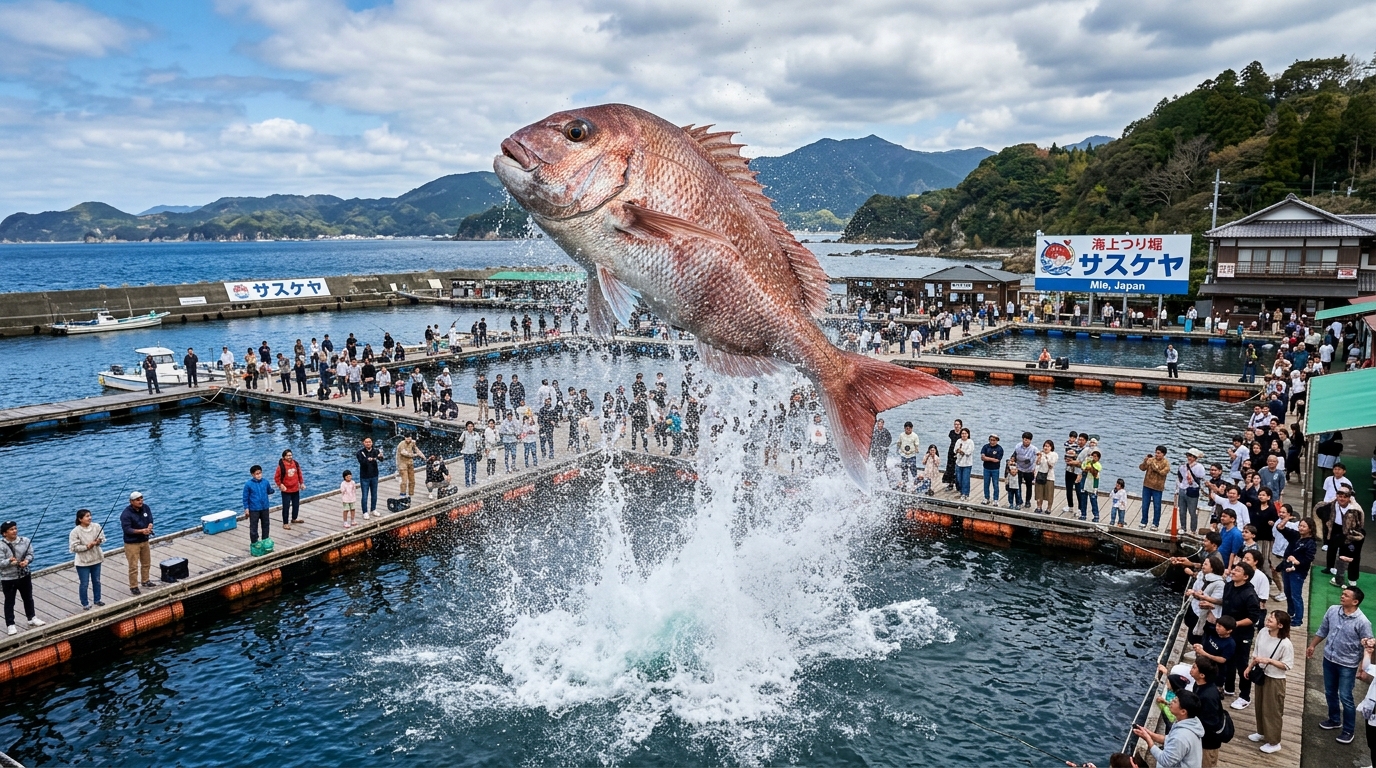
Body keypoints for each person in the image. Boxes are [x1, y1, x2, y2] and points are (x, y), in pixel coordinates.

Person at [1308, 585, 1374, 745]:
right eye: (1342, 594)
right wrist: (1312, 645)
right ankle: (1334, 719)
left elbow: (1368, 646)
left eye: (1346, 595)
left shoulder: (1363, 622)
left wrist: (1362, 668)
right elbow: (1323, 629)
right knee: (1330, 692)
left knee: (1346, 697)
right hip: (1329, 659)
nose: (1342, 596)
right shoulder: (1332, 610)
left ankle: (1348, 730)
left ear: (1355, 601)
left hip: (1347, 665)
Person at [1245, 610, 1293, 754]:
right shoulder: (1263, 633)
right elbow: (1256, 652)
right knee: (1259, 705)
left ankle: (1274, 741)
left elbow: (1287, 665)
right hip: (1261, 674)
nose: (1268, 620)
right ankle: (1261, 732)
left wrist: (1269, 661)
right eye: (1269, 617)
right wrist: (1249, 667)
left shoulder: (1285, 644)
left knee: (1272, 711)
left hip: (1275, 679)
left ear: (1280, 625)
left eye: (1272, 619)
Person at [1131, 689, 1204, 768]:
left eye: (1175, 701)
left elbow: (1166, 761)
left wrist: (1148, 740)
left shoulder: (1181, 736)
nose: (1171, 701)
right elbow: (1169, 739)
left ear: (1183, 712)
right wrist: (1149, 734)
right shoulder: (1190, 722)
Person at [1, 520, 43, 635]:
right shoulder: (1, 546)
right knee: (10, 601)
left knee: (28, 598)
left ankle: (32, 618)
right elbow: (0, 563)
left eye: (15, 528)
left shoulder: (25, 541)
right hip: (8, 578)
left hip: (24, 575)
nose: (15, 531)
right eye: (11, 529)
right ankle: (10, 625)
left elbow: (31, 554)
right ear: (4, 533)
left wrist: (26, 561)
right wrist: (9, 561)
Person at [68, 508, 105, 609]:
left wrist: (98, 541)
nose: (90, 518)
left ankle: (97, 599)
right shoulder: (75, 532)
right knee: (84, 583)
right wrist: (87, 546)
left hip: (96, 558)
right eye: (87, 516)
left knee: (97, 580)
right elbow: (73, 548)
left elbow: (102, 538)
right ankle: (85, 603)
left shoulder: (96, 526)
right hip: (83, 563)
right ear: (80, 519)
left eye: (90, 515)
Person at [120, 491, 154, 594]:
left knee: (146, 562)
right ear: (131, 501)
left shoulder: (146, 508)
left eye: (141, 498)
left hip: (144, 540)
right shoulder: (126, 514)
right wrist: (141, 531)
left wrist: (149, 527)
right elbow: (127, 529)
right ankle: (133, 586)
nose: (140, 501)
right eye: (137, 499)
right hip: (132, 543)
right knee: (133, 566)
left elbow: (150, 519)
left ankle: (145, 580)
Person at [243, 464, 274, 547]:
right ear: (252, 475)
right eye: (257, 473)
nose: (259, 475)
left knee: (266, 524)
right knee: (254, 526)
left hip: (264, 507)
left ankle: (265, 540)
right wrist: (246, 508)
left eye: (260, 473)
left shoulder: (265, 482)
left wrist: (273, 490)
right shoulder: (248, 484)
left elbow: (269, 490)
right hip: (254, 509)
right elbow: (245, 498)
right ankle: (254, 542)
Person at [1139, 445, 1170, 530]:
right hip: (1147, 486)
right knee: (1145, 504)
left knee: (1157, 506)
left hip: (1158, 488)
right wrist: (1145, 462)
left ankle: (1155, 524)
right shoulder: (1151, 460)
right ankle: (1143, 521)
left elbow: (1163, 473)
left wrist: (1154, 466)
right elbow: (1142, 468)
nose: (1156, 454)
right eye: (1156, 452)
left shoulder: (1166, 463)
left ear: (1163, 454)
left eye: (1158, 453)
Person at [274, 449, 304, 530]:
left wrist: (301, 483)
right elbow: (276, 478)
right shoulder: (281, 466)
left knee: (296, 505)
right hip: (286, 490)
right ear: (284, 457)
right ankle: (285, 523)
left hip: (295, 488)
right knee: (286, 507)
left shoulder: (295, 464)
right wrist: (280, 485)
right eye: (288, 455)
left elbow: (299, 474)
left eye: (290, 455)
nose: (290, 457)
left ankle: (294, 518)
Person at [356, 437, 383, 519]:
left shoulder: (376, 451)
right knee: (364, 495)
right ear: (363, 443)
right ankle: (365, 511)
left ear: (372, 442)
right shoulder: (360, 452)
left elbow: (381, 460)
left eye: (370, 442)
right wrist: (369, 459)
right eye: (366, 442)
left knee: (374, 494)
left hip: (374, 475)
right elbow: (362, 462)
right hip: (364, 477)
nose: (368, 443)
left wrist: (380, 456)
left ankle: (373, 509)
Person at [1033, 439, 1058, 513]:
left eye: (1048, 446)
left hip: (1049, 476)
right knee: (1039, 492)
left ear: (1051, 447)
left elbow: (1051, 465)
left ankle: (1049, 508)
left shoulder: (1054, 454)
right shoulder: (1041, 453)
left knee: (1049, 493)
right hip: (1040, 474)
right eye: (1045, 446)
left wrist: (1047, 458)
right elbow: (1037, 463)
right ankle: (1039, 507)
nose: (1046, 448)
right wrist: (1039, 457)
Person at [1014, 432, 1037, 509]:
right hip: (1019, 468)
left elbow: (1039, 454)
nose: (1026, 441)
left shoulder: (1033, 448)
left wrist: (1035, 467)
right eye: (1024, 439)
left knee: (1029, 486)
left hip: (1029, 469)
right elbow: (1014, 455)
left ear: (1030, 440)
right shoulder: (1018, 446)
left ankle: (1028, 501)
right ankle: (1019, 500)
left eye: (1028, 440)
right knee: (1018, 485)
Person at [896, 422, 921, 489]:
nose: (908, 430)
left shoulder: (915, 436)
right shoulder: (901, 435)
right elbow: (899, 443)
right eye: (906, 428)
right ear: (904, 428)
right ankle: (904, 483)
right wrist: (897, 449)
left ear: (912, 428)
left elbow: (916, 445)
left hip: (912, 455)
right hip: (903, 454)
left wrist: (916, 449)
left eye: (909, 429)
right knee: (904, 469)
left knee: (913, 468)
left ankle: (915, 480)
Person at [980, 434, 1003, 504]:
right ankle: (986, 497)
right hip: (986, 468)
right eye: (991, 440)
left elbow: (997, 460)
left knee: (995, 484)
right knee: (986, 484)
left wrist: (987, 458)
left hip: (995, 469)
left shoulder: (1000, 449)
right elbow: (982, 457)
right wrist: (991, 459)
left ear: (997, 441)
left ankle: (995, 499)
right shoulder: (985, 447)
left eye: (994, 440)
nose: (992, 442)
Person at [458, 421, 482, 488]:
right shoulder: (464, 433)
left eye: (471, 426)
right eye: (469, 426)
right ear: (466, 427)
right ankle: (467, 482)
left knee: (474, 468)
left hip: (473, 453)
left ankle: (473, 480)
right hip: (466, 453)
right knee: (467, 468)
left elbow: (479, 442)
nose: (470, 428)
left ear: (473, 427)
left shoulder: (475, 434)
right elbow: (460, 440)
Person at [953, 428, 974, 501]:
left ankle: (965, 494)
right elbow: (955, 450)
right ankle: (961, 492)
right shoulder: (959, 441)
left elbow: (969, 452)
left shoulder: (970, 442)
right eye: (962, 433)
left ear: (968, 434)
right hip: (959, 463)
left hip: (967, 464)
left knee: (965, 479)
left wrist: (961, 451)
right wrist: (958, 450)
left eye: (965, 433)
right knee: (959, 479)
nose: (964, 435)